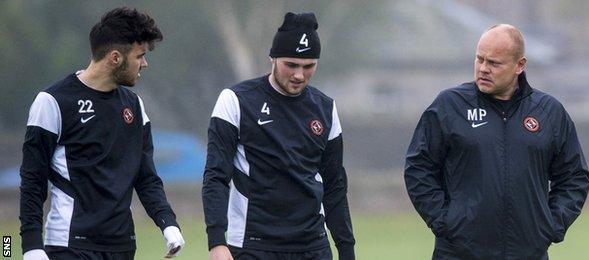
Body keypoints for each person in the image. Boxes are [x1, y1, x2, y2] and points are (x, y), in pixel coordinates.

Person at [404, 24, 589, 259]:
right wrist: (445, 222)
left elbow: (574, 176)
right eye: (479, 59)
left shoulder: (549, 113)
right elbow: (418, 168)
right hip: (458, 253)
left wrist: (550, 225)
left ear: (519, 66)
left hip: (528, 253)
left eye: (493, 63)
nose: (483, 68)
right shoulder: (449, 106)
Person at [19, 7, 185, 260]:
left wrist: (168, 223)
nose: (145, 63)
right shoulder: (52, 101)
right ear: (115, 57)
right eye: (140, 56)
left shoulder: (135, 106)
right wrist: (31, 246)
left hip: (122, 247)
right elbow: (33, 179)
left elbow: (146, 176)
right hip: (70, 245)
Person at [202, 12, 355, 260]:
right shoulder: (236, 100)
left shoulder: (326, 108)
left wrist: (346, 250)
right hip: (253, 245)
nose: (299, 75)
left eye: (308, 66)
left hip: (313, 246)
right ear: (272, 58)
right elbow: (216, 175)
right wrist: (217, 242)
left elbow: (335, 185)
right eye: (291, 65)